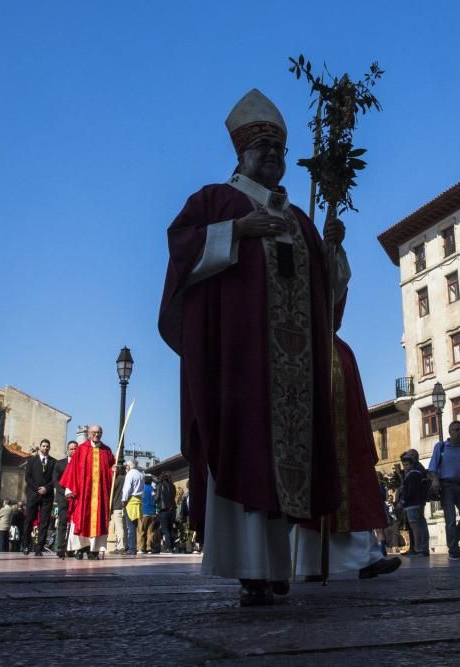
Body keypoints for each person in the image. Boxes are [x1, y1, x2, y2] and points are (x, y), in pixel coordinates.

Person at [157, 89, 344, 606]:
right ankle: (247, 570)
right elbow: (180, 249)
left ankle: (276, 569)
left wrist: (330, 250)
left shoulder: (299, 218)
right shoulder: (215, 200)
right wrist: (237, 230)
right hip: (236, 364)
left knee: (286, 460)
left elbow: (324, 297)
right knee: (243, 453)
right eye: (262, 148)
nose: (273, 158)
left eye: (280, 151)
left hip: (292, 371)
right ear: (240, 155)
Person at [293, 337, 401, 581]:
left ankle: (366, 558)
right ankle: (312, 564)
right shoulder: (318, 347)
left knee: (351, 484)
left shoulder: (338, 350)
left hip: (342, 441)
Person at [60, 425, 115, 560]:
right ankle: (81, 548)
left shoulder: (107, 451)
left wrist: (113, 470)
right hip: (83, 493)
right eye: (94, 432)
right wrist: (70, 489)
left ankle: (94, 550)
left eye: (99, 432)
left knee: (98, 520)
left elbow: (110, 469)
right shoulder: (81, 449)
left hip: (100, 495)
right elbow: (73, 469)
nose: (97, 435)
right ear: (89, 434)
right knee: (81, 518)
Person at [429, 421, 460, 561]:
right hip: (446, 486)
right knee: (450, 520)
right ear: (450, 432)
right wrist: (435, 480)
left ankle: (455, 536)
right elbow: (433, 467)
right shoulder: (441, 446)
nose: (459, 432)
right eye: (456, 429)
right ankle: (454, 550)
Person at [23, 439, 55, 556]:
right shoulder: (31, 461)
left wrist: (46, 488)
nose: (45, 448)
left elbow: (55, 479)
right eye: (43, 446)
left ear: (49, 448)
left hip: (47, 496)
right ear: (40, 447)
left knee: (44, 522)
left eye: (47, 446)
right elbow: (28, 477)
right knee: (29, 520)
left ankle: (39, 548)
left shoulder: (53, 462)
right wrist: (38, 488)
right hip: (33, 494)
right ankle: (26, 545)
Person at [398, 450, 430, 557]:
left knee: (418, 525)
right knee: (417, 524)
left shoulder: (416, 471)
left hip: (415, 502)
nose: (405, 466)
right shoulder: (415, 470)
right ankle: (418, 547)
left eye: (407, 463)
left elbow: (412, 489)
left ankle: (420, 548)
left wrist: (403, 500)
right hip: (416, 502)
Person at [53, 440, 78, 558]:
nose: (73, 451)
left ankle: (71, 548)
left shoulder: (81, 464)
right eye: (71, 449)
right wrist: (65, 492)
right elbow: (55, 480)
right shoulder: (59, 463)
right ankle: (61, 547)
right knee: (63, 522)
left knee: (74, 524)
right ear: (67, 450)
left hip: (76, 498)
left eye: (75, 448)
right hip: (63, 498)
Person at [122, 459, 144, 556]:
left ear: (129, 466)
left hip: (130, 501)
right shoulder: (140, 474)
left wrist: (124, 500)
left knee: (130, 527)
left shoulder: (130, 474)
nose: (125, 467)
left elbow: (127, 489)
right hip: (138, 501)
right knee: (134, 526)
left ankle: (131, 548)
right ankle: (133, 547)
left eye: (126, 465)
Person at [156, 472, 178, 554]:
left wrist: (153, 494)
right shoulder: (173, 486)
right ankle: (173, 547)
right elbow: (173, 496)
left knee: (165, 530)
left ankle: (169, 548)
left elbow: (157, 497)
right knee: (170, 528)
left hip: (163, 509)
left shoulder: (159, 485)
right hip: (172, 509)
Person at [109, 462, 128, 554]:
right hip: (126, 506)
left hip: (117, 506)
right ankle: (124, 545)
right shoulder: (126, 478)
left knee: (119, 527)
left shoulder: (117, 479)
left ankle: (120, 546)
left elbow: (111, 489)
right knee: (124, 527)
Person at [140, 476, 159, 554]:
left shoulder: (142, 489)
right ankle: (149, 547)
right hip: (153, 513)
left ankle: (141, 547)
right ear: (151, 482)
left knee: (142, 531)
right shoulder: (154, 490)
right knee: (150, 532)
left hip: (144, 512)